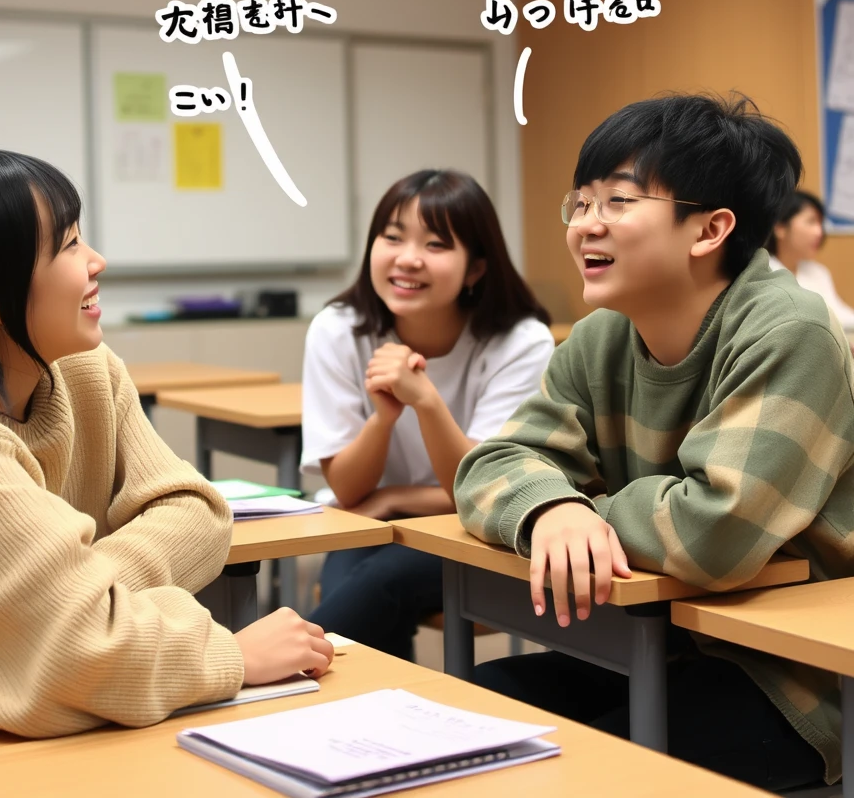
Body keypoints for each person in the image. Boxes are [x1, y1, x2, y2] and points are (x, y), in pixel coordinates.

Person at [0, 149, 332, 773]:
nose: (96, 262)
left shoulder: (82, 369)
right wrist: (232, 656)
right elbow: (79, 650)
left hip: (14, 718)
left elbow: (198, 511)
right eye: (67, 246)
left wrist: (79, 587)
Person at [454, 93, 854, 792]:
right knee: (467, 720)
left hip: (798, 678)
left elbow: (713, 534)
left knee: (569, 778)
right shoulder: (604, 332)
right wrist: (553, 509)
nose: (585, 226)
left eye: (617, 201)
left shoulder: (790, 331)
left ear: (709, 230)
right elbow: (488, 466)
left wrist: (591, 509)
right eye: (579, 204)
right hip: (657, 636)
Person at [301, 169, 554, 659]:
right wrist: (384, 418)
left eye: (436, 245)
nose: (408, 258)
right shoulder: (338, 331)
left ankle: (290, 684)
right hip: (372, 528)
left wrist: (426, 403)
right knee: (353, 583)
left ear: (476, 268)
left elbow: (484, 493)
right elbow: (351, 491)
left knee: (378, 586)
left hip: (478, 536)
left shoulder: (520, 343)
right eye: (392, 237)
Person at [768, 189, 854, 331]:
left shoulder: (818, 272)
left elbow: (839, 315)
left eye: (820, 223)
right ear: (780, 227)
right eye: (811, 221)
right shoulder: (763, 272)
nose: (819, 232)